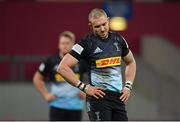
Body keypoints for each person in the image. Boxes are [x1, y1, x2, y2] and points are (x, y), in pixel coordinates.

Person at [57, 8, 136, 121]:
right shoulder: (85, 43)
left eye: (104, 24)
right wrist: (84, 87)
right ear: (90, 26)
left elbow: (131, 62)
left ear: (108, 20)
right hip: (98, 98)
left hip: (118, 99)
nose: (103, 29)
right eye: (97, 26)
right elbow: (62, 68)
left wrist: (128, 86)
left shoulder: (119, 40)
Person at [33, 31, 86, 121]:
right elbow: (37, 78)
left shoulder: (80, 61)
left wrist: (86, 92)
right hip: (57, 106)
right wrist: (46, 95)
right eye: (62, 43)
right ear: (58, 44)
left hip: (75, 106)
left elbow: (94, 74)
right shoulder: (51, 60)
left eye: (67, 43)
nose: (64, 46)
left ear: (73, 45)